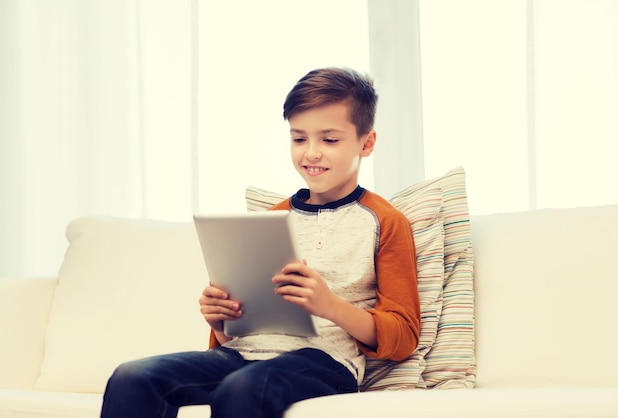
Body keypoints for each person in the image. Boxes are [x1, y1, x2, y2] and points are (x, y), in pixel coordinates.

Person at [100, 67, 420, 418]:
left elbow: (403, 336)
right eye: (299, 139)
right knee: (133, 377)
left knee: (244, 387)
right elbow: (230, 337)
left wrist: (330, 305)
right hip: (244, 354)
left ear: (366, 142)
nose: (311, 153)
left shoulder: (385, 221)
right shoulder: (269, 220)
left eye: (329, 140)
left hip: (325, 361)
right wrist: (219, 320)